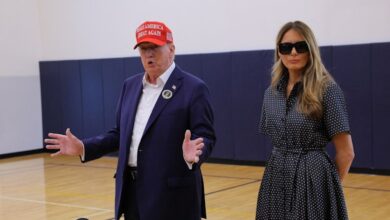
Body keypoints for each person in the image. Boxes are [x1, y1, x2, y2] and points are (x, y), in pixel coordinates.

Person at [45, 21, 216, 220]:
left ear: (171, 49)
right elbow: (120, 134)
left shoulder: (194, 88)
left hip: (173, 196)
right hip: (132, 193)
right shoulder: (130, 85)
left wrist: (195, 154)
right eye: (143, 49)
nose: (149, 54)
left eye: (154, 48)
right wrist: (83, 147)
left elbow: (205, 135)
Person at [256, 21, 355, 220]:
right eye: (286, 47)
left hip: (313, 180)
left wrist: (327, 189)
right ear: (279, 52)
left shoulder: (327, 90)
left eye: (300, 46)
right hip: (276, 179)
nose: (293, 52)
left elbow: (346, 152)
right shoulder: (270, 94)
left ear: (311, 50)